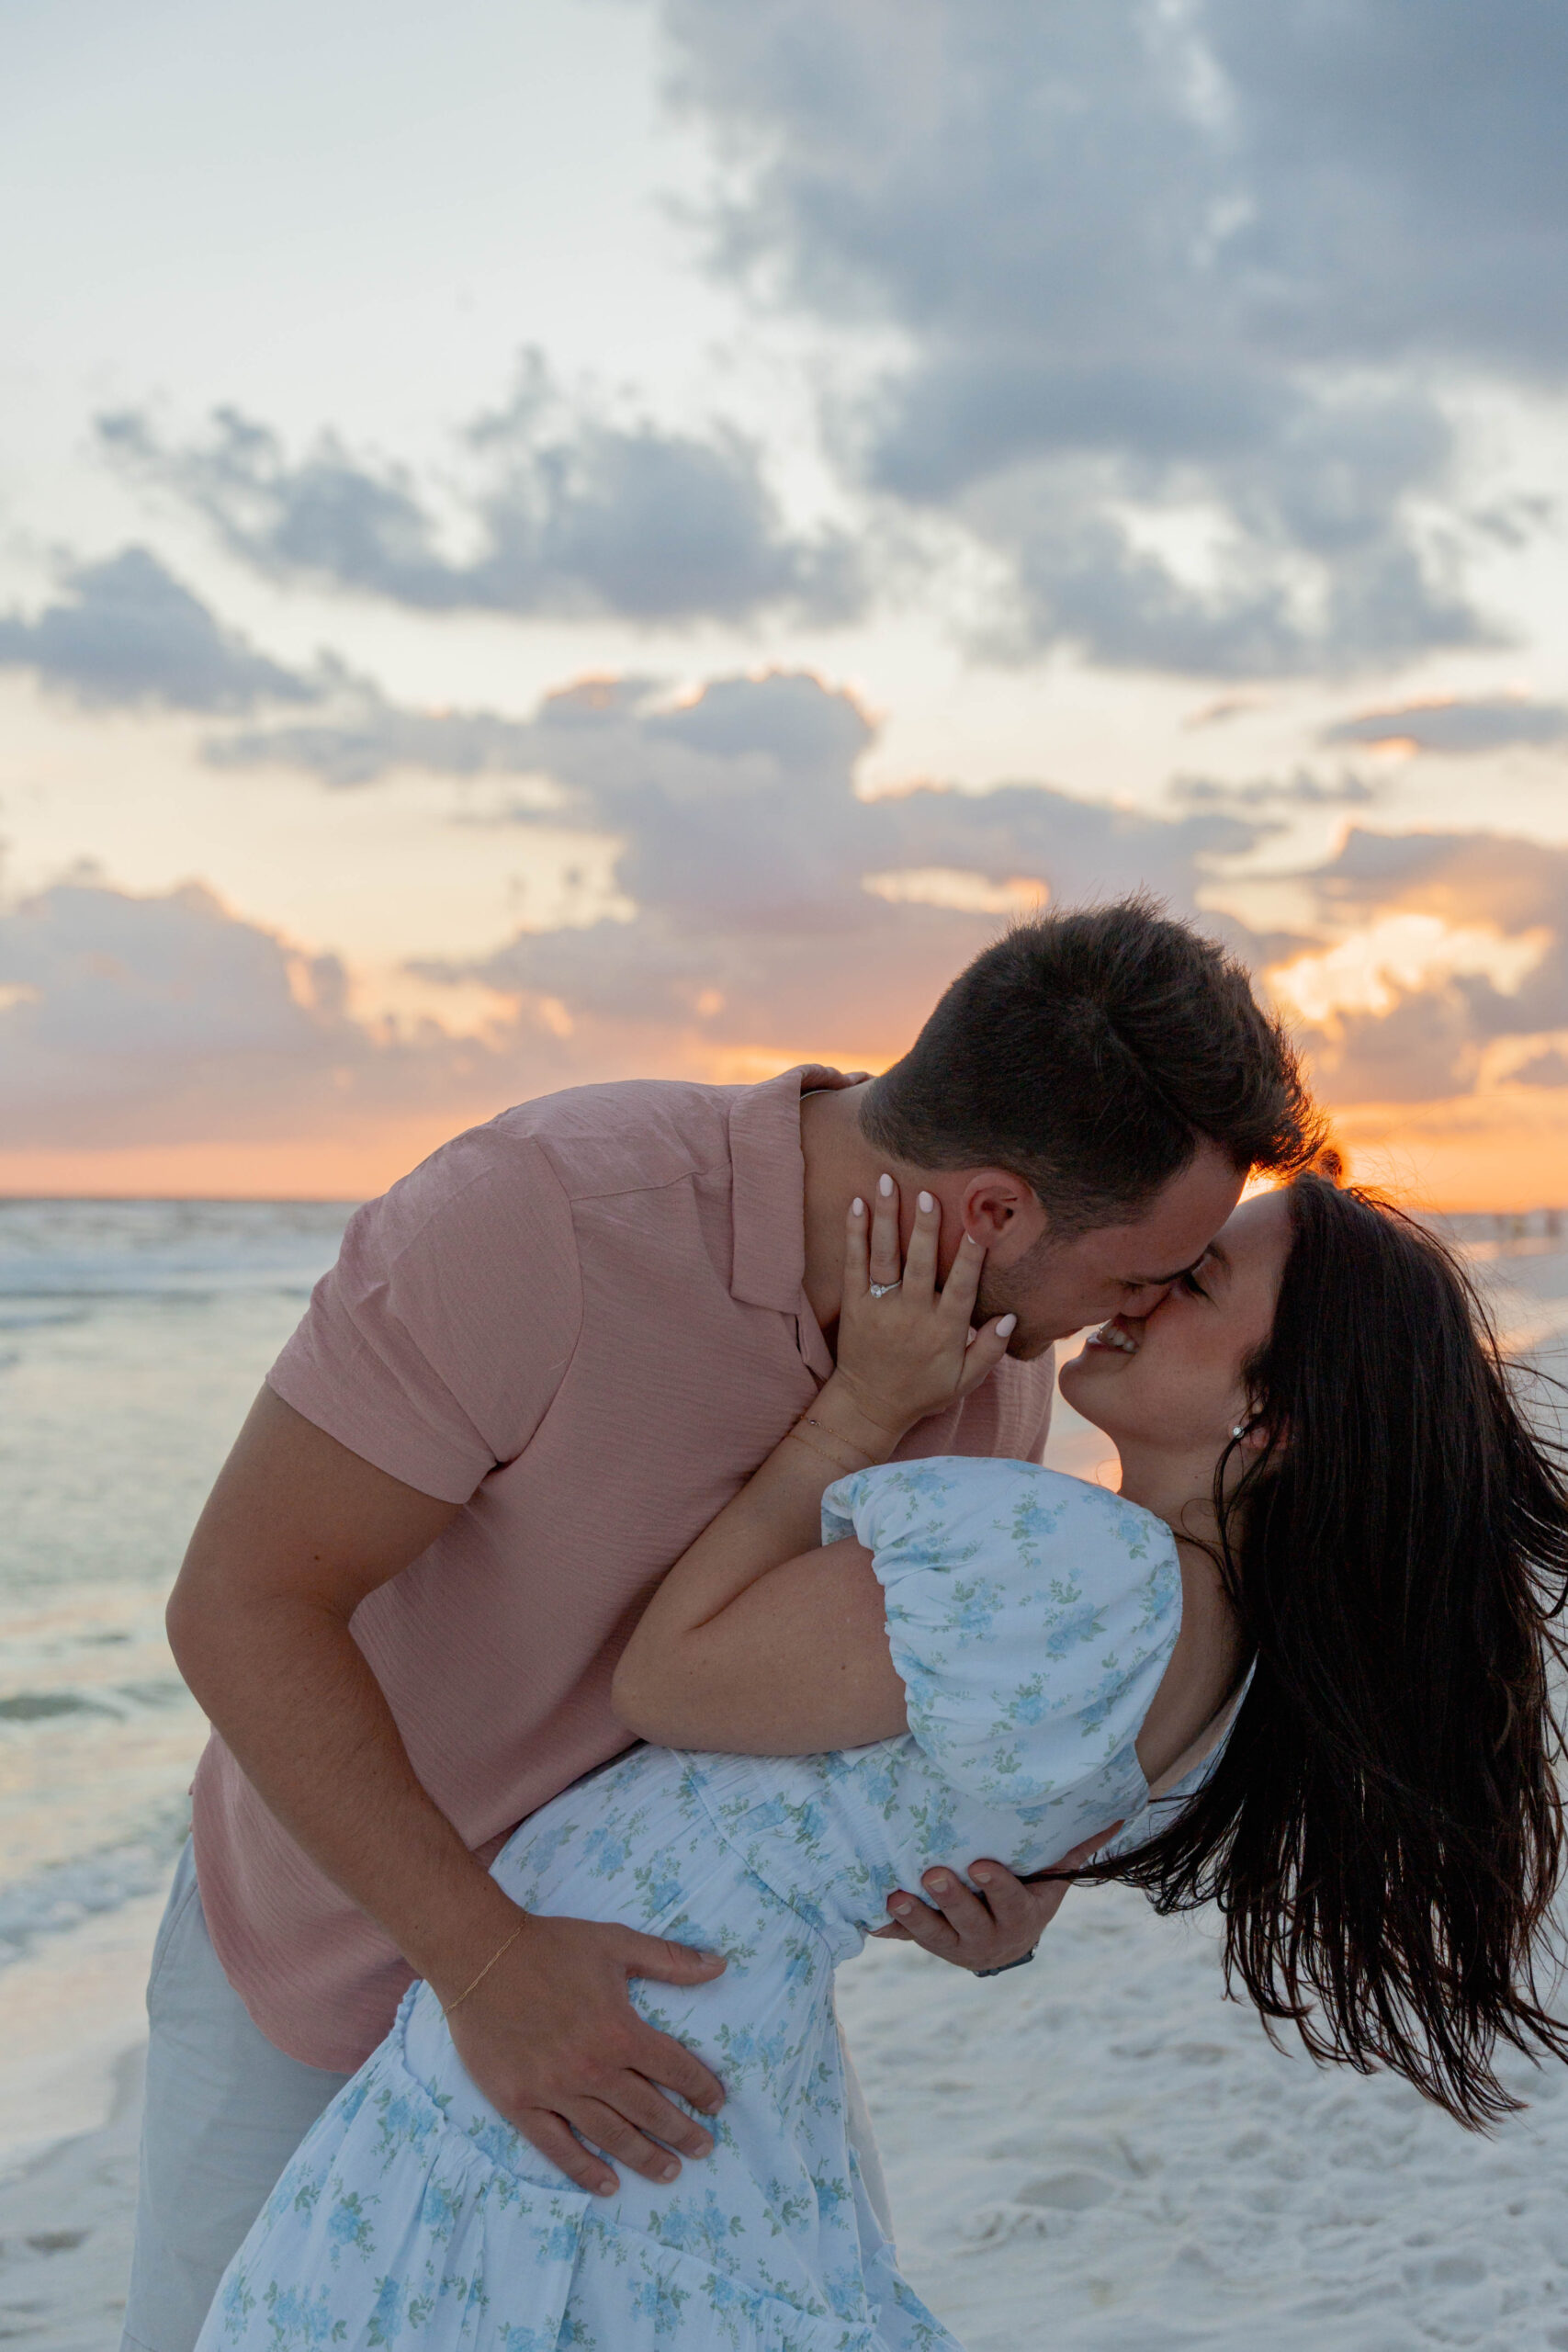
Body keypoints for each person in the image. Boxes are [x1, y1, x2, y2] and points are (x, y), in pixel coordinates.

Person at [127, 901, 1318, 2352]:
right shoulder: (548, 1216)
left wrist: (1002, 1894)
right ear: (997, 1209)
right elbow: (241, 1604)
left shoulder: (996, 1367)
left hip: (673, 2014)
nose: (1132, 1312)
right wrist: (488, 1963)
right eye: (1141, 1272)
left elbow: (872, 1723)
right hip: (330, 1948)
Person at [192, 1167, 1568, 2352]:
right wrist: (1001, 1918)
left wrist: (853, 1413)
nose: (1139, 1292)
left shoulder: (1071, 1564)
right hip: (698, 2024)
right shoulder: (1231, 1663)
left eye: (1193, 1284)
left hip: (613, 2008)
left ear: (1273, 1422)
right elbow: (985, 1833)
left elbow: (669, 1680)